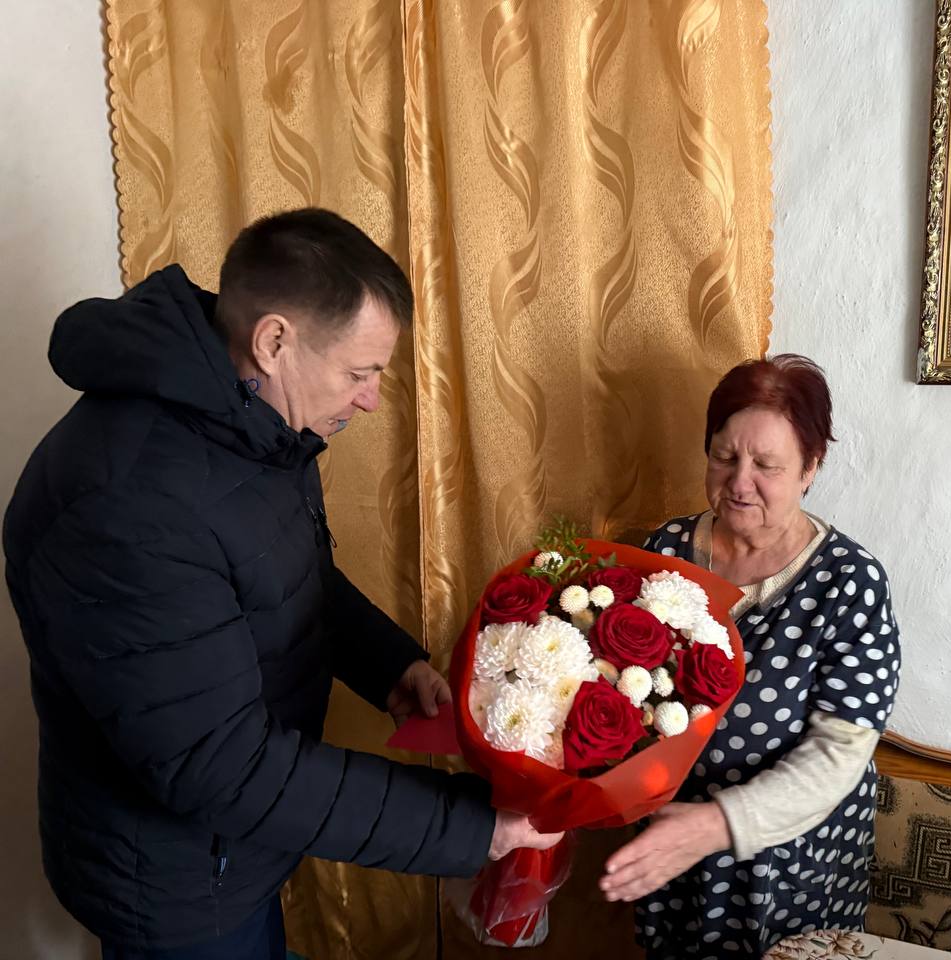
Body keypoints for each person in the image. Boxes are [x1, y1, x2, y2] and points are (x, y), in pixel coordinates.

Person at [4, 208, 559, 959]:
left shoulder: (241, 419)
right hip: (175, 881)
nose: (370, 399)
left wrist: (390, 665)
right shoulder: (127, 503)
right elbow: (220, 765)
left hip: (235, 848)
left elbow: (285, 573)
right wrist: (470, 828)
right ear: (273, 341)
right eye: (358, 374)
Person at [599, 354, 902, 958]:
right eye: (724, 456)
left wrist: (718, 824)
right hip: (674, 854)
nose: (739, 482)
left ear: (810, 467)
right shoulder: (665, 550)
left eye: (766, 465)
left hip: (790, 866)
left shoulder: (849, 582)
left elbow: (839, 754)